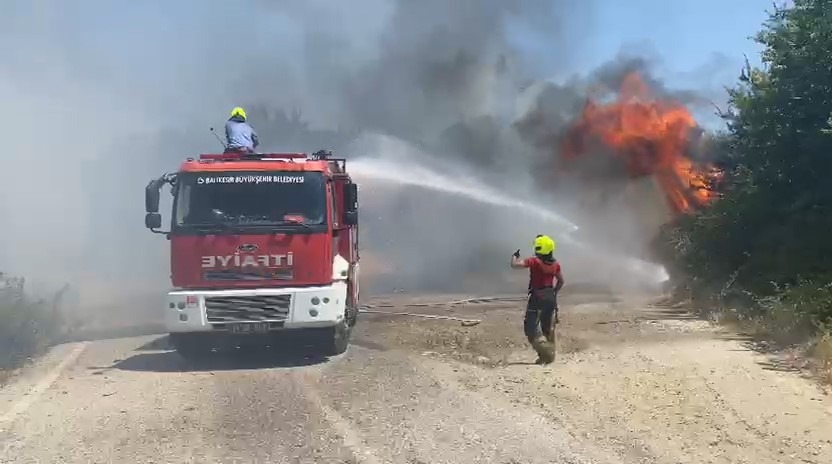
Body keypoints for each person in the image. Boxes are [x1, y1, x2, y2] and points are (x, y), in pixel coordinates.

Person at [510, 234, 565, 365]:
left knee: (531, 328)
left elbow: (515, 265)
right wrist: (554, 292)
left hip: (537, 298)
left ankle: (546, 353)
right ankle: (548, 356)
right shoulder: (556, 264)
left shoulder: (534, 262)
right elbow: (561, 281)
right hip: (550, 298)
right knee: (547, 329)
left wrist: (514, 256)